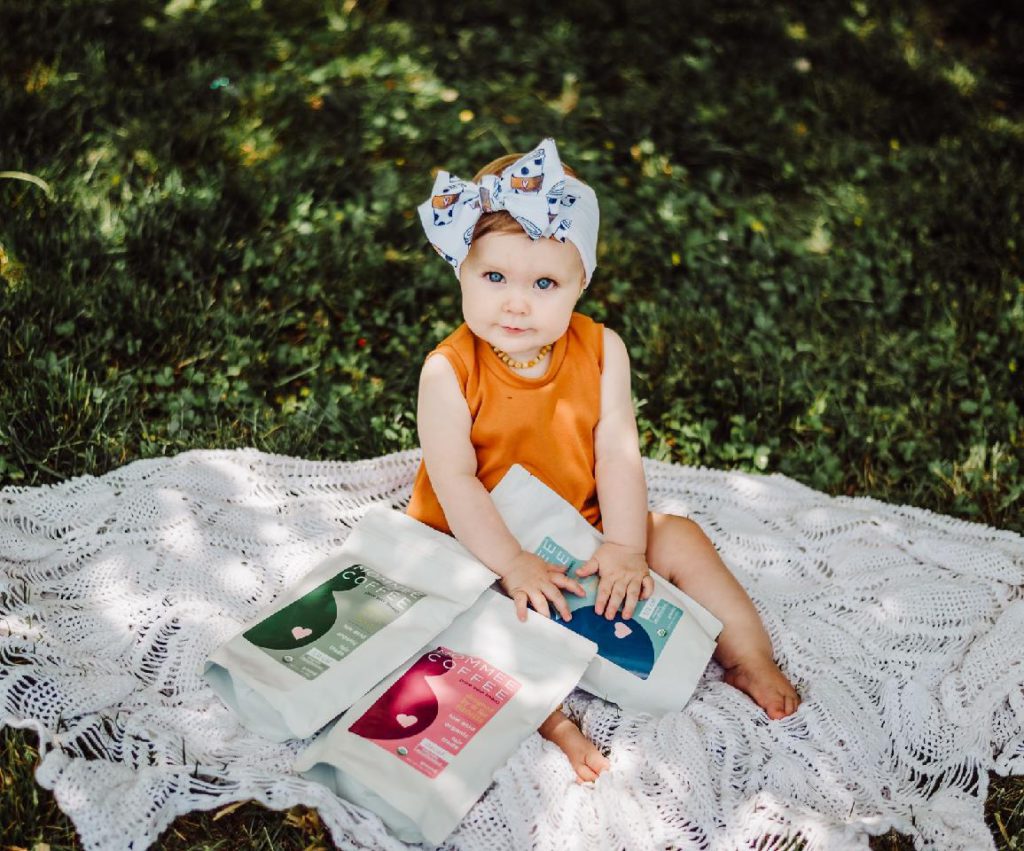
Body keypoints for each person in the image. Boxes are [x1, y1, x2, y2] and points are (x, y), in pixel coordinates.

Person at [407, 138, 800, 782]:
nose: (516, 302)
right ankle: (553, 722)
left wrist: (623, 544)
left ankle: (747, 653)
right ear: (461, 272)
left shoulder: (601, 348)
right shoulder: (448, 371)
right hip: (478, 540)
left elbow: (618, 452)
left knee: (680, 536)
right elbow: (454, 481)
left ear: (581, 282)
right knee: (477, 619)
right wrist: (511, 563)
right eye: (494, 277)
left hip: (578, 523)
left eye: (544, 283)